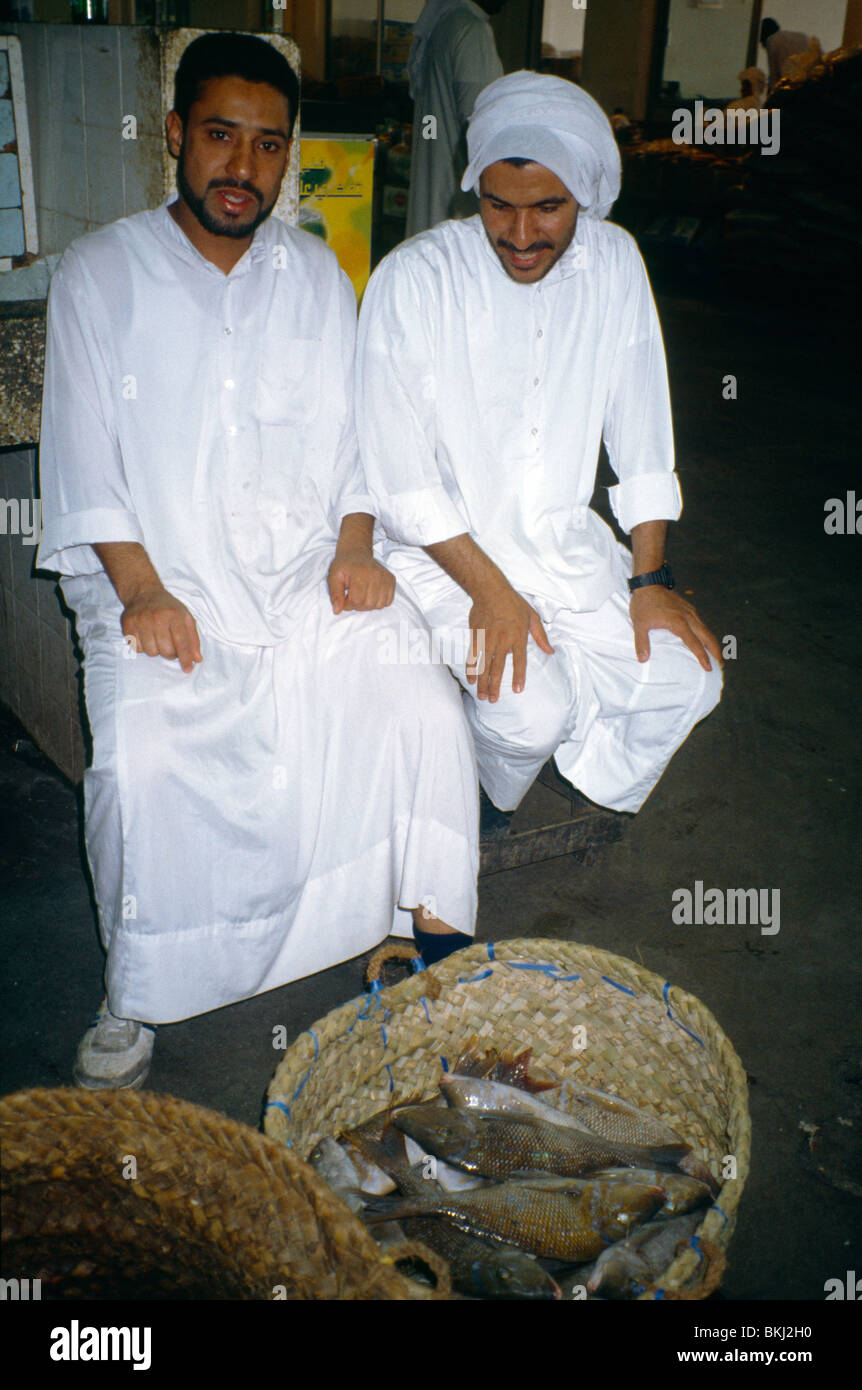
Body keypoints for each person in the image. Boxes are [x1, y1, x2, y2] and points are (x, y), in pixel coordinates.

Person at [36, 33, 479, 1090]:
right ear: (178, 137)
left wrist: (357, 545)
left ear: (288, 158)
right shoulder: (101, 276)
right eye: (222, 137)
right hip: (158, 579)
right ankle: (136, 987)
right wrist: (140, 588)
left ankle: (427, 939)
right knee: (142, 758)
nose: (243, 166)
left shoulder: (319, 274)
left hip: (297, 577)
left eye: (268, 146)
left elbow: (355, 437)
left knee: (411, 681)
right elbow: (84, 452)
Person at [356, 71, 723, 834]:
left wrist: (650, 578)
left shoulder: (616, 264)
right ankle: (490, 794)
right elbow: (400, 480)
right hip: (442, 553)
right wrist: (490, 594)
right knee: (529, 714)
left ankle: (519, 738)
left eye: (547, 209)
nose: (520, 237)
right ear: (476, 191)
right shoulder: (415, 279)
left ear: (585, 196)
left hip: (560, 544)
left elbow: (644, 435)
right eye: (499, 206)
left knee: (689, 679)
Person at [406, 0, 506, 237]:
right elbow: (484, 126)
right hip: (457, 200)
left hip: (436, 186)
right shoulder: (471, 30)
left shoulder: (444, 23)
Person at [760, 18, 813, 90]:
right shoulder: (802, 36)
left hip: (794, 88)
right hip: (813, 83)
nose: (762, 46)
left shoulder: (772, 40)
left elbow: (774, 78)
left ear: (764, 35)